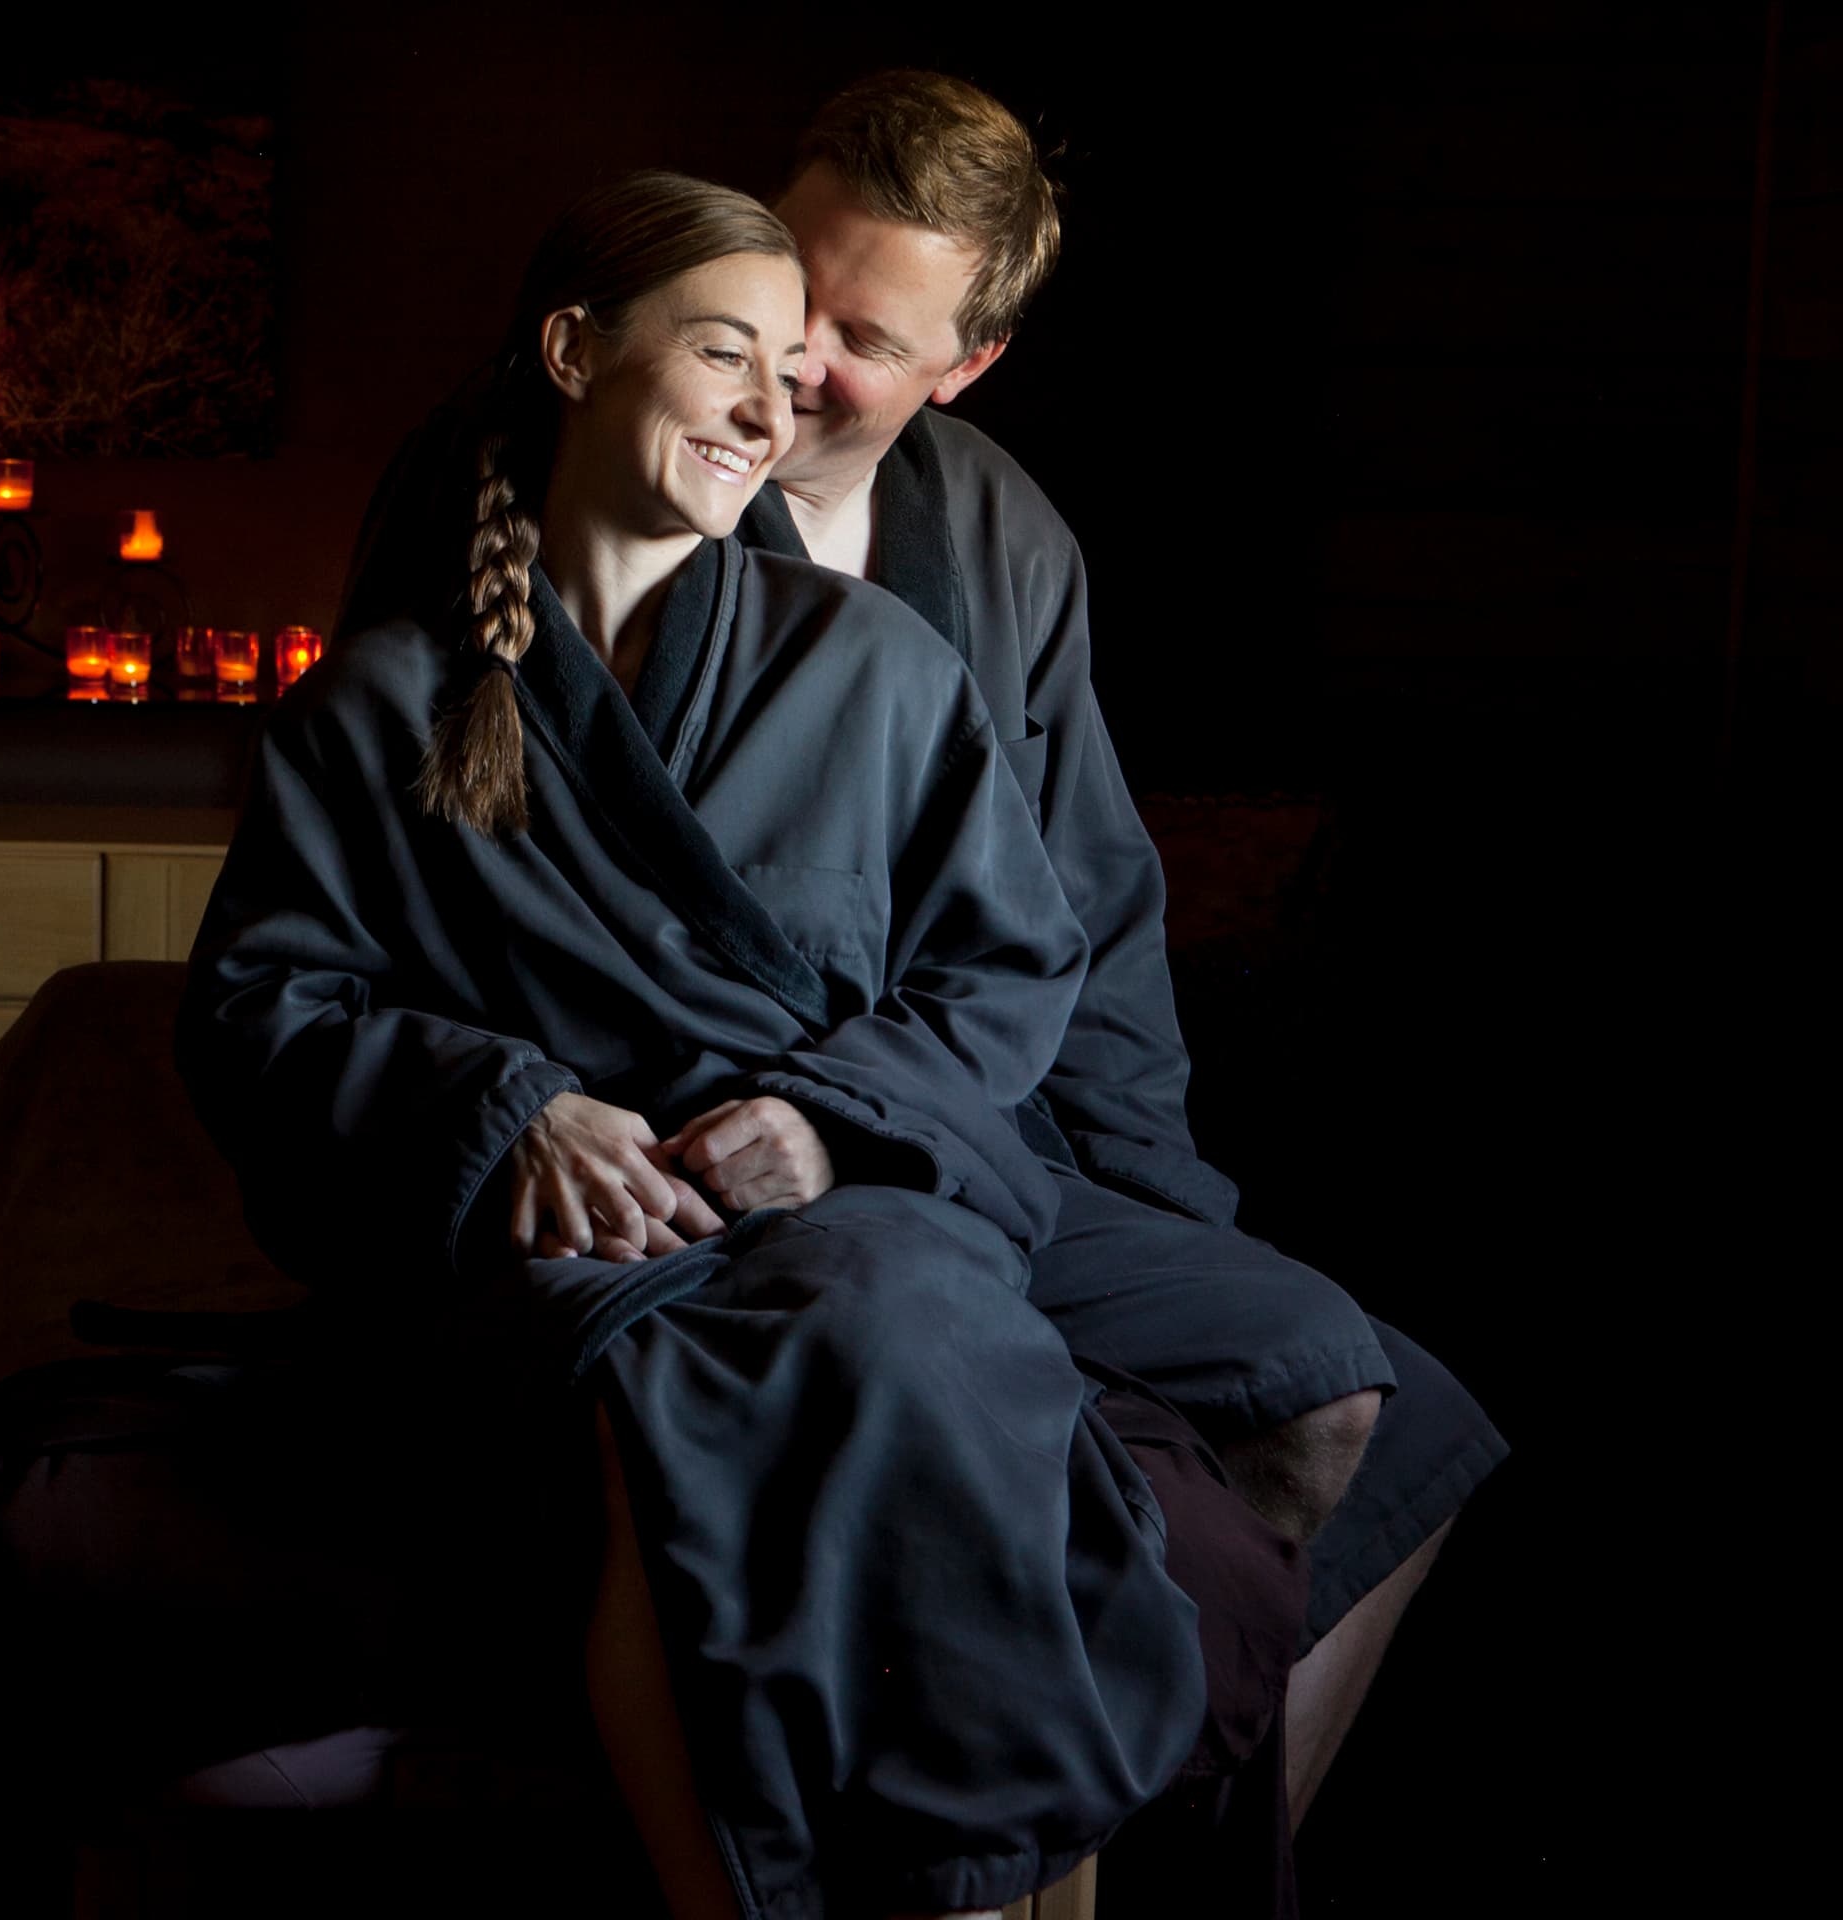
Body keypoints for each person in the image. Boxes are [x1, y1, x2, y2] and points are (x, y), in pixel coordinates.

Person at [182, 170, 1249, 1920]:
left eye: (798, 365)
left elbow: (1009, 968)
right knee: (664, 1407)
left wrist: (825, 1126)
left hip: (843, 1202)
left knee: (916, 1331)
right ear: (574, 350)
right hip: (583, 1238)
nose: (776, 410)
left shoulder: (880, 666)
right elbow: (255, 1012)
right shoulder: (379, 702)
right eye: (726, 356)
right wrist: (505, 1105)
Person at [737, 69, 1508, 1844]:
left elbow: (1090, 914)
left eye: (863, 334)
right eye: (789, 284)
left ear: (968, 365)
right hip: (782, 1151)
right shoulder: (635, 471)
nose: (790, 364)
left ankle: (1188, 1863)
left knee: (1384, 1409)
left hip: (993, 1133)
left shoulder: (999, 533)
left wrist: (1167, 1212)